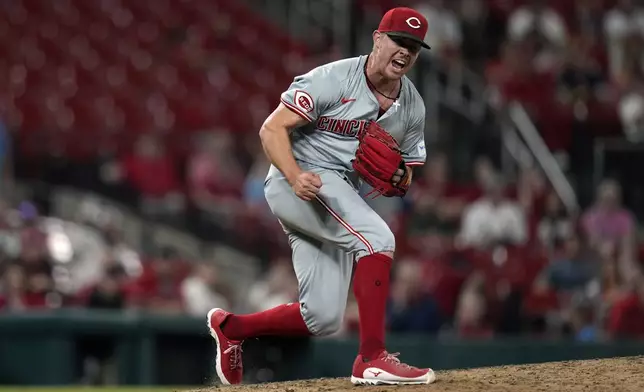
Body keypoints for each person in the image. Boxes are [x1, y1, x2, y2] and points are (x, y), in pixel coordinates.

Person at [207, 7, 435, 386]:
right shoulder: (332, 78)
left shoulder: (412, 106)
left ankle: (233, 328)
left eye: (414, 47)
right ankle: (371, 357)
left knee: (324, 318)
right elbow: (271, 129)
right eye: (400, 41)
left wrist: (399, 177)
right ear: (378, 39)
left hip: (338, 192)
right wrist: (295, 176)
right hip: (298, 180)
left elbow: (406, 173)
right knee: (378, 240)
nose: (406, 52)